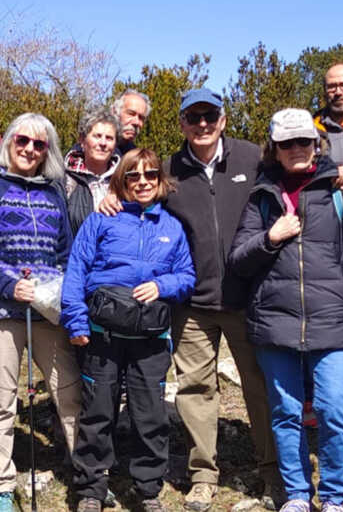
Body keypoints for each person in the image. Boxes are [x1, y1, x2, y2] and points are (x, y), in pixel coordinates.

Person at [128, 88, 278, 511]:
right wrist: (108, 198)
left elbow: (294, 169)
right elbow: (136, 194)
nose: (202, 125)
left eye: (209, 116)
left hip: (248, 299)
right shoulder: (169, 169)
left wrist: (338, 172)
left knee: (260, 388)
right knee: (195, 389)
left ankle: (272, 471)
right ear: (181, 124)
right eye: (193, 117)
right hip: (191, 303)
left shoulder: (252, 157)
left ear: (223, 119)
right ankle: (203, 474)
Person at [229, 108, 343, 512]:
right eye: (287, 143)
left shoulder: (340, 190)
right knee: (286, 413)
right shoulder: (261, 197)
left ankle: (332, 497)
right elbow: (239, 260)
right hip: (275, 322)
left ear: (317, 144)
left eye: (304, 141)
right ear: (274, 149)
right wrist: (270, 237)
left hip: (332, 320)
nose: (296, 149)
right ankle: (297, 495)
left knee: (333, 410)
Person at [63, 148, 196, 512]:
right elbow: (77, 270)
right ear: (122, 179)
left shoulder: (172, 227)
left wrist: (162, 286)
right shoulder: (101, 219)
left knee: (151, 415)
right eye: (133, 175)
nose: (142, 182)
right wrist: (75, 321)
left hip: (150, 340)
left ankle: (148, 490)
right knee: (98, 413)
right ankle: (91, 489)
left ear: (159, 180)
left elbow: (187, 276)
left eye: (150, 175)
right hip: (101, 334)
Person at [0, 112, 83, 512]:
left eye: (40, 144)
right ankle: (0, 485)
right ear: (8, 143)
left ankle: (85, 474)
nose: (30, 149)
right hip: (0, 309)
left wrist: (57, 293)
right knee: (1, 398)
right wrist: (10, 286)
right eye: (23, 141)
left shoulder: (53, 193)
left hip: (46, 310)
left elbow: (65, 253)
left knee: (67, 390)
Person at [63, 109, 121, 234]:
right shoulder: (65, 179)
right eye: (97, 136)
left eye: (109, 138)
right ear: (82, 141)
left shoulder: (125, 181)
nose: (103, 143)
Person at [110, 88, 151, 155]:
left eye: (141, 118)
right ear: (114, 112)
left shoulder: (136, 157)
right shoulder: (94, 147)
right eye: (131, 114)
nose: (136, 122)